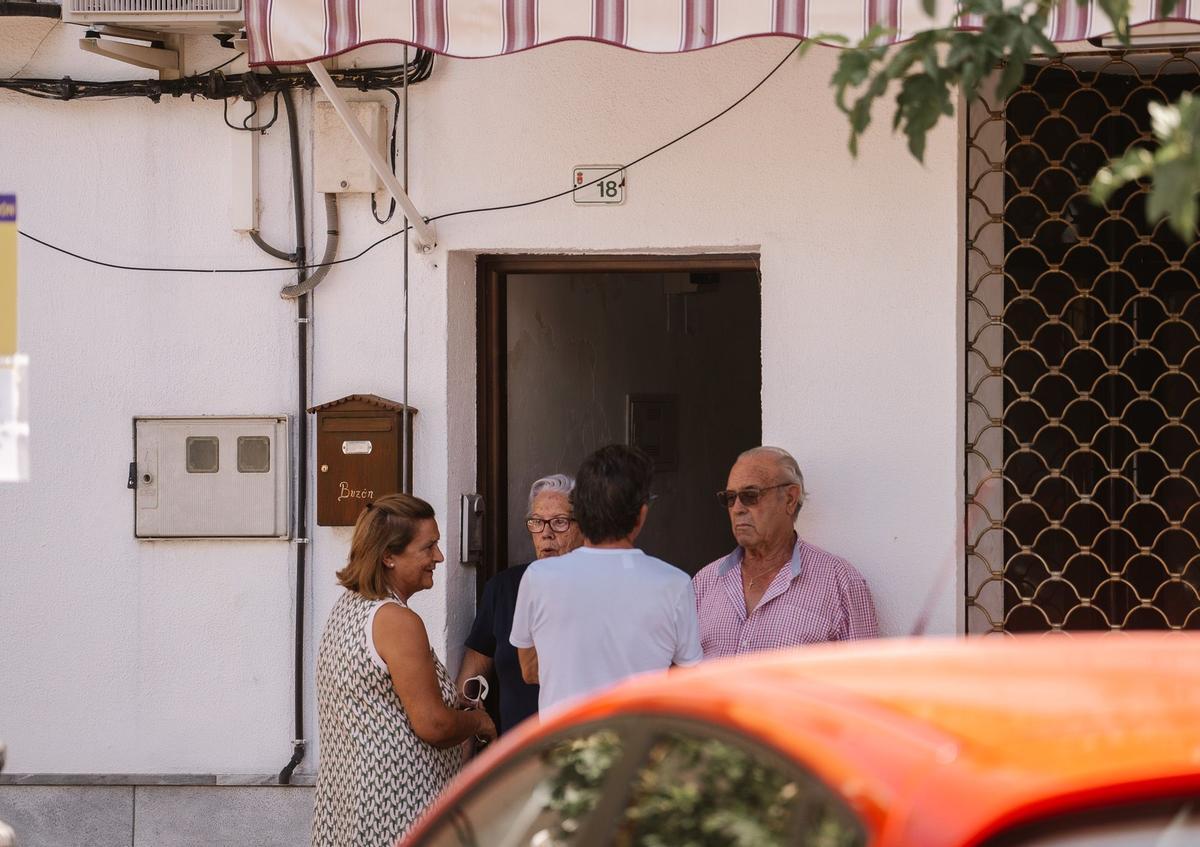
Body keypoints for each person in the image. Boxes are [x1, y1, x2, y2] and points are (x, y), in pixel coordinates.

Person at [312, 494, 496, 847]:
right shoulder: (397, 620)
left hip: (353, 807)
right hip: (399, 812)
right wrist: (479, 722)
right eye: (428, 547)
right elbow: (433, 725)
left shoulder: (351, 607)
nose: (439, 557)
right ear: (388, 557)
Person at [510, 444, 702, 714]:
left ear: (581, 511)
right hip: (640, 747)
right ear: (641, 515)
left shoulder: (538, 578)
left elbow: (530, 670)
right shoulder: (675, 584)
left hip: (562, 750)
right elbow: (688, 682)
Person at [694, 446, 878, 658]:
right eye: (730, 498)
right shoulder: (704, 583)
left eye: (750, 495)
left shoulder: (839, 582)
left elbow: (863, 680)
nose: (737, 508)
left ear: (790, 499)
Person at [456, 474, 583, 734]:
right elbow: (469, 686)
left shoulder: (600, 589)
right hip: (518, 757)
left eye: (559, 522)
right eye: (537, 522)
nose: (546, 533)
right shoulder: (504, 588)